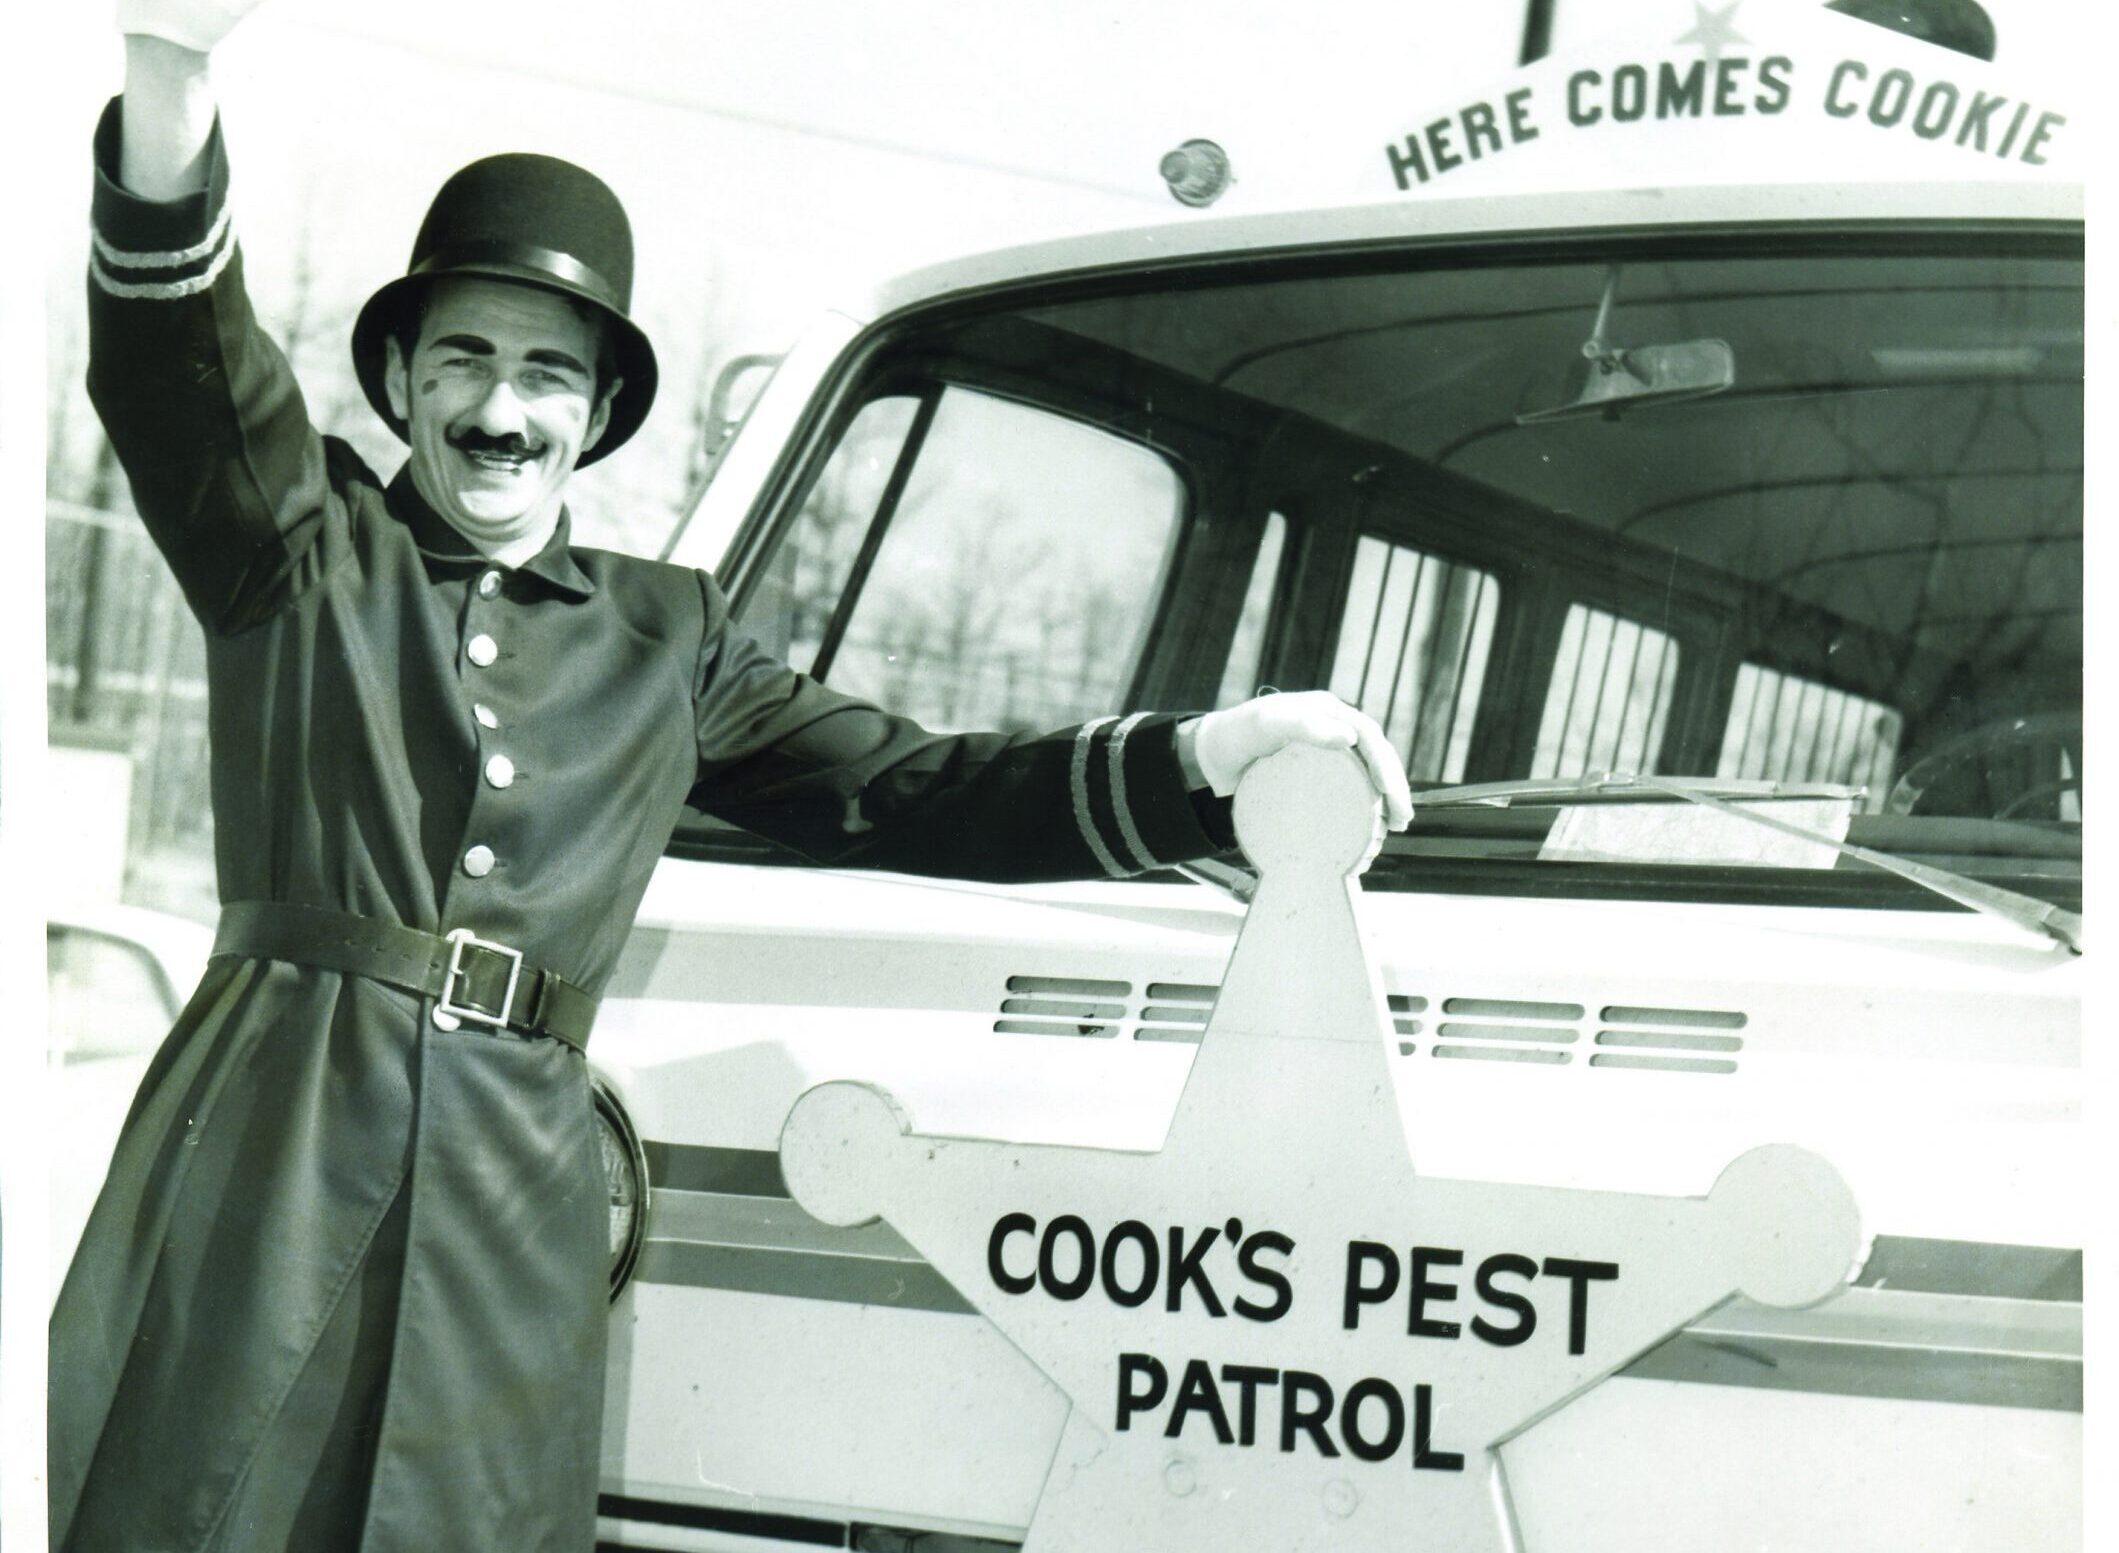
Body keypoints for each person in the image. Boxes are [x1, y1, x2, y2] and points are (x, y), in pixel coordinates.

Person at [49, 3, 1415, 1550]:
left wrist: (1204, 758)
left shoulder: (667, 637)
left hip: (509, 1207)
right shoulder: (303, 553)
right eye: (466, 360)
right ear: (404, 377)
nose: (503, 411)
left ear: (600, 410)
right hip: (272, 1163)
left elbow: (912, 786)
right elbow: (181, 363)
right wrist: (169, 71)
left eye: (548, 375)